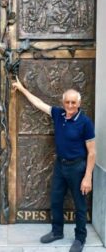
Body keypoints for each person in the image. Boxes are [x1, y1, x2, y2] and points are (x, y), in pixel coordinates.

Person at [12, 76, 96, 252]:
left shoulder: (85, 123)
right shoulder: (58, 114)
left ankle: (80, 239)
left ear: (78, 103)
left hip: (78, 167)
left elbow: (92, 152)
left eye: (73, 102)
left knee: (80, 204)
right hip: (60, 165)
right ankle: (57, 232)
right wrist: (22, 88)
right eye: (67, 102)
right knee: (56, 200)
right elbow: (39, 103)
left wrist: (87, 176)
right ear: (63, 102)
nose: (70, 105)